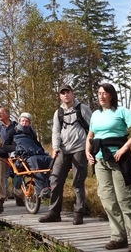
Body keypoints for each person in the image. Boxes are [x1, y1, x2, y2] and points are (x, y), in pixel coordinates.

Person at [85, 83, 131, 252]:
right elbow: (90, 136)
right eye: (99, 93)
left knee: (125, 199)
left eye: (105, 93)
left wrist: (125, 147)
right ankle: (118, 236)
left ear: (111, 95)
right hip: (100, 161)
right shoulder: (95, 114)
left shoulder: (121, 111)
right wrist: (87, 152)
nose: (102, 96)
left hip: (119, 160)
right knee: (107, 199)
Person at [39, 84, 92, 225]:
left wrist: (90, 146)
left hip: (80, 148)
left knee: (77, 182)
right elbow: (56, 131)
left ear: (72, 93)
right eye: (62, 93)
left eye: (67, 92)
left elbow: (93, 128)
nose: (65, 95)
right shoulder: (58, 112)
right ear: (60, 96)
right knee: (55, 180)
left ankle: (79, 212)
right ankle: (54, 212)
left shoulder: (83, 108)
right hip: (63, 149)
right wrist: (55, 147)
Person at [4, 112, 52, 200]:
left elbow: (37, 144)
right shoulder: (12, 132)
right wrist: (17, 148)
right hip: (22, 157)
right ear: (19, 121)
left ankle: (51, 186)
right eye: (23, 121)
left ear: (29, 123)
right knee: (35, 163)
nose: (24, 123)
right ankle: (42, 189)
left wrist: (42, 151)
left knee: (50, 161)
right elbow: (5, 146)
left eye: (26, 121)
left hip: (34, 153)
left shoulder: (31, 133)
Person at [0, 107, 17, 210]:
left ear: (7, 114)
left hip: (15, 155)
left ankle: (19, 196)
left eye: (1, 113)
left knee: (18, 176)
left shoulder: (16, 125)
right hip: (2, 156)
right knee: (1, 178)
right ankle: (0, 200)